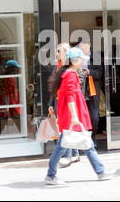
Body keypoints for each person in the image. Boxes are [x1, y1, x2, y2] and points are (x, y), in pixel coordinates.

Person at [45, 47, 114, 184]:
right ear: (75, 60)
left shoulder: (69, 74)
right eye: (81, 58)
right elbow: (70, 97)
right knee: (65, 146)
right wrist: (75, 117)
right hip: (73, 119)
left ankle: (100, 172)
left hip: (72, 118)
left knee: (85, 145)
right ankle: (51, 175)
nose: (83, 61)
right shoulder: (70, 75)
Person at [48, 43, 81, 168]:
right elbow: (53, 87)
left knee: (66, 129)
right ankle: (75, 154)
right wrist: (51, 104)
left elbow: (78, 85)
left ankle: (68, 157)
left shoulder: (70, 68)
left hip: (68, 101)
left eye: (59, 51)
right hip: (59, 100)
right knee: (66, 128)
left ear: (66, 53)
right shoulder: (57, 67)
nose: (57, 54)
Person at [78, 39, 103, 146]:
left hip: (92, 92)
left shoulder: (95, 57)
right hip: (80, 91)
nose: (83, 50)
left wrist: (89, 72)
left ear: (90, 45)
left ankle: (92, 137)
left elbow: (100, 73)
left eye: (85, 48)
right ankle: (83, 139)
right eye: (81, 48)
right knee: (81, 118)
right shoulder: (77, 57)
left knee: (94, 117)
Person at [0, 60, 21, 135]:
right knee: (17, 120)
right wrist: (9, 105)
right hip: (9, 102)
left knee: (3, 120)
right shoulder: (9, 78)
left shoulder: (6, 77)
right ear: (12, 68)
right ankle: (24, 135)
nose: (17, 70)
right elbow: (9, 92)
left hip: (7, 102)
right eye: (16, 68)